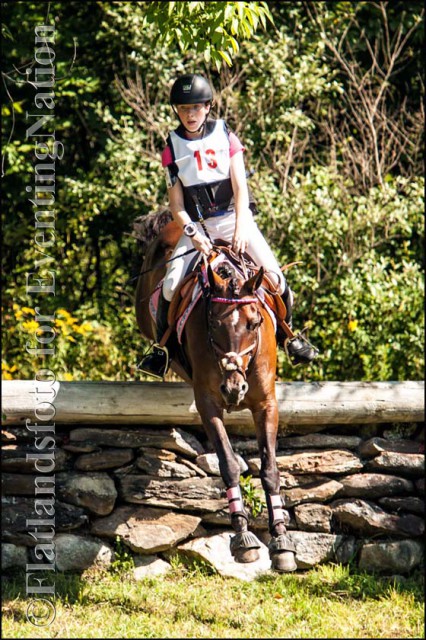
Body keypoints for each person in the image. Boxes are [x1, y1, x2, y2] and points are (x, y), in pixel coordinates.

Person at [139, 73, 318, 379]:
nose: (190, 114)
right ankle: (162, 349)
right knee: (170, 285)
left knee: (276, 278)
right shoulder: (170, 149)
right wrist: (194, 235)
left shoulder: (227, 136)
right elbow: (176, 206)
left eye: (196, 108)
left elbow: (241, 188)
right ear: (177, 111)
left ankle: (290, 337)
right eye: (183, 109)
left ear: (208, 107)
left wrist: (240, 226)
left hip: (236, 218)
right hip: (199, 226)